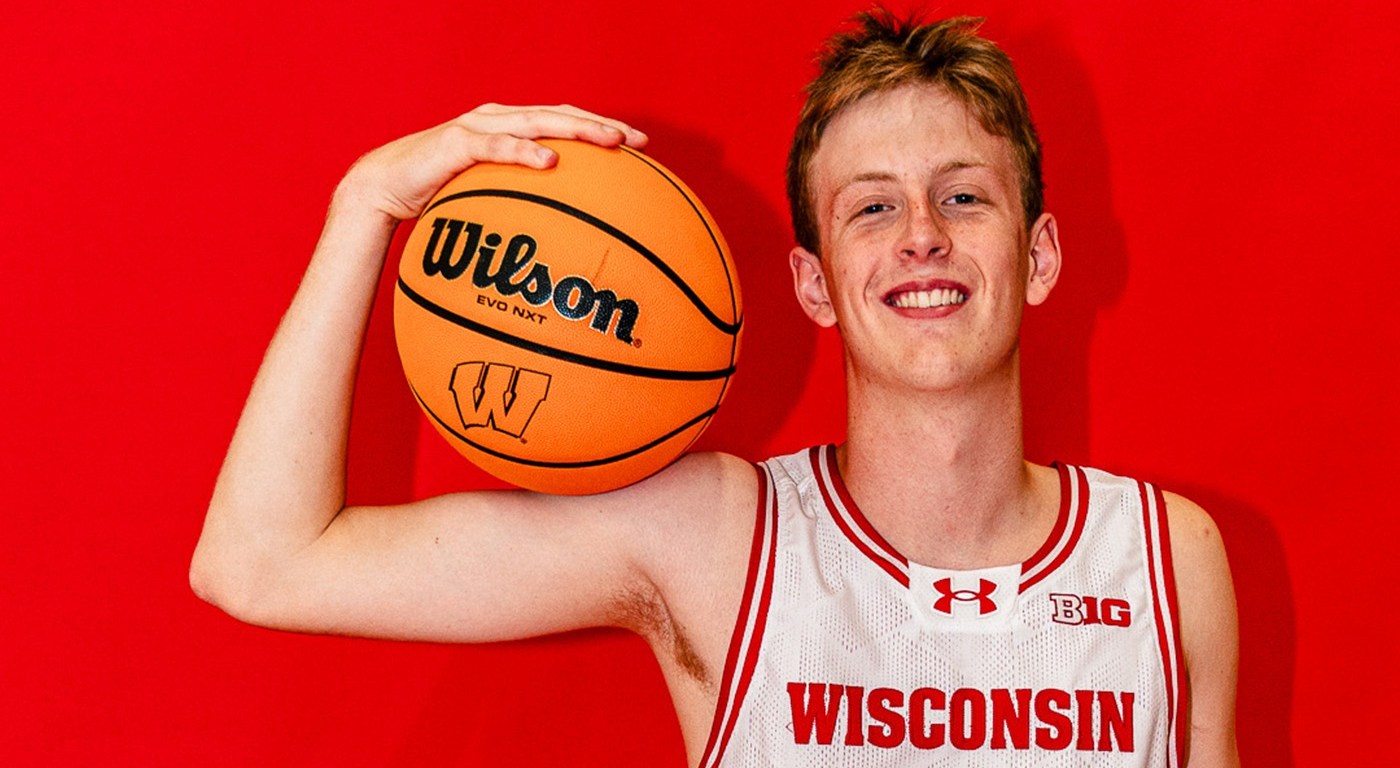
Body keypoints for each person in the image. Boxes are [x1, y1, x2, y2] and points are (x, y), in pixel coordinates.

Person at [190, 11, 1238, 767]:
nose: (921, 233)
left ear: (1039, 254)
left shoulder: (1164, 559)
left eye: (961, 196)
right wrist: (365, 205)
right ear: (812, 283)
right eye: (869, 209)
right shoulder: (713, 541)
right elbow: (261, 563)